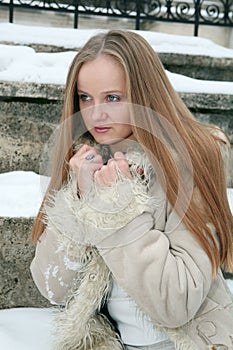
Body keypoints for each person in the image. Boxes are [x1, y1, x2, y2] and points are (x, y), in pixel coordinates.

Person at [30, 30, 233, 350]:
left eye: (112, 97)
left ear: (144, 94)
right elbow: (52, 288)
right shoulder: (83, 160)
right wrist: (79, 200)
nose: (95, 114)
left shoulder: (191, 160)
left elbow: (175, 304)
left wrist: (116, 208)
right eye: (85, 97)